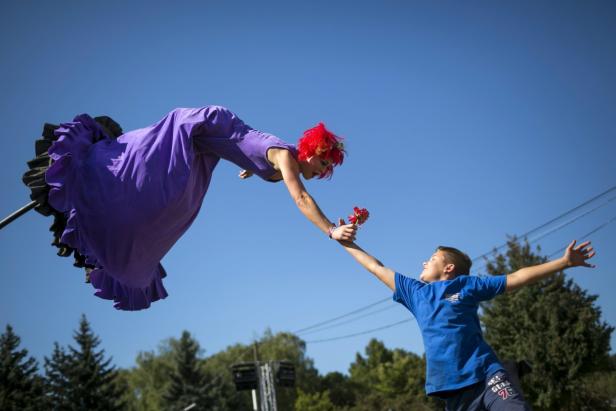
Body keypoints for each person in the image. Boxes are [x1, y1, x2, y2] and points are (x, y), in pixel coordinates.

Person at [22, 106, 358, 310]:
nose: (322, 174)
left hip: (209, 146)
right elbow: (300, 198)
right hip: (200, 126)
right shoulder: (286, 158)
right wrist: (330, 229)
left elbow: (248, 148)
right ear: (312, 154)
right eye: (323, 166)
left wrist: (250, 167)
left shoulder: (283, 158)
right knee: (155, 189)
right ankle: (96, 179)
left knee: (173, 208)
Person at [337, 224, 596, 411]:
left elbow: (517, 277)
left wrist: (563, 263)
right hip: (452, 390)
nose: (424, 262)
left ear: (448, 268)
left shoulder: (466, 286)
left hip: (487, 375)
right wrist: (343, 239)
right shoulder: (415, 293)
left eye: (432, 258)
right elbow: (375, 266)